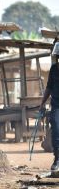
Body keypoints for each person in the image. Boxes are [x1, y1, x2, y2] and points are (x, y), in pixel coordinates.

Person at [40, 41, 59, 171]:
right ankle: (57, 159)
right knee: (56, 130)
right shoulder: (53, 69)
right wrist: (42, 103)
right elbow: (49, 87)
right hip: (56, 105)